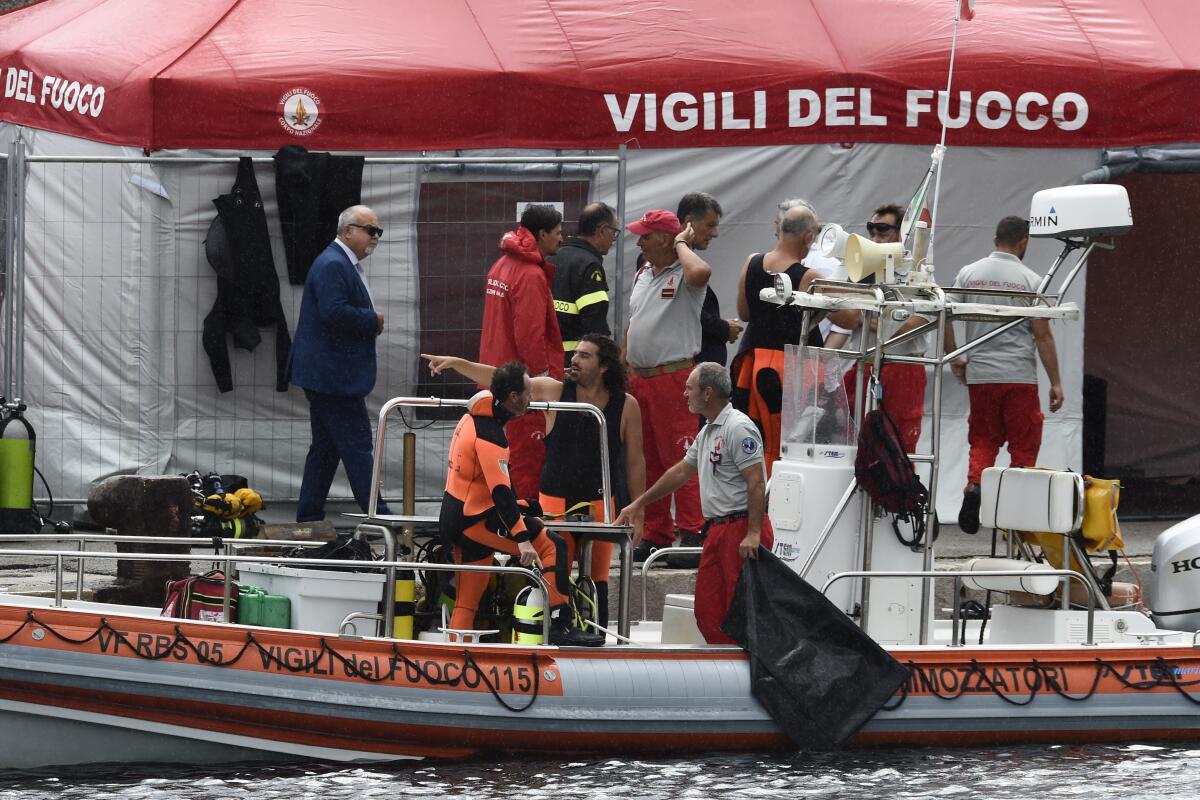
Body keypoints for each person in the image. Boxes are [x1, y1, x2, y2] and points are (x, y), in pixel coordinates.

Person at [425, 333, 646, 631]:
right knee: (556, 569)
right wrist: (458, 363)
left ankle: (598, 642)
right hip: (554, 499)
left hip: (600, 502)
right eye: (575, 352)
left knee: (598, 581)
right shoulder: (554, 391)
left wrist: (638, 509)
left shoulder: (626, 405)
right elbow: (502, 380)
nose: (574, 359)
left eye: (584, 355)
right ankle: (558, 634)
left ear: (604, 366)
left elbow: (635, 462)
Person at [438, 362, 604, 647]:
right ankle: (561, 626)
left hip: (458, 517)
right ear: (513, 397)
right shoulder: (490, 434)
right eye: (528, 393)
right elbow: (500, 492)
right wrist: (523, 540)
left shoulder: (474, 416)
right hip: (473, 522)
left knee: (467, 601)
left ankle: (455, 653)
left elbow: (483, 485)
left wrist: (522, 506)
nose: (533, 400)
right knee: (552, 545)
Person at [616, 362, 774, 645]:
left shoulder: (738, 428)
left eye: (689, 388)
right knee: (707, 609)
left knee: (740, 607)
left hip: (741, 528)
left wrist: (753, 533)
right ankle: (723, 662)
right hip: (718, 530)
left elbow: (757, 482)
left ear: (708, 393)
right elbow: (679, 473)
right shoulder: (708, 432)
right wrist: (639, 503)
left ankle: (744, 664)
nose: (684, 394)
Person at [946, 216, 1064, 533]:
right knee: (1024, 444)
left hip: (981, 375)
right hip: (1019, 376)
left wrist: (955, 356)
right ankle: (1017, 510)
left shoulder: (968, 274)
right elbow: (1042, 335)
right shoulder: (1031, 280)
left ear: (995, 239)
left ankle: (974, 487)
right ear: (1023, 242)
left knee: (984, 438)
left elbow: (944, 311)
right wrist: (1055, 381)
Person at [287, 205, 391, 522]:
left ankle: (308, 518)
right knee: (358, 446)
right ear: (348, 231)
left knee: (326, 449)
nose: (375, 237)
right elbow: (334, 312)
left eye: (378, 231)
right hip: (334, 378)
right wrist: (372, 320)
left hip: (327, 376)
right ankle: (382, 518)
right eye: (370, 230)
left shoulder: (338, 262)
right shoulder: (334, 265)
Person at [621, 208, 710, 564]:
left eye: (645, 235)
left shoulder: (685, 272)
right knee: (650, 460)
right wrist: (625, 358)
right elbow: (634, 320)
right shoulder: (644, 271)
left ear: (665, 239)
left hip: (672, 377)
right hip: (641, 379)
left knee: (680, 455)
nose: (639, 241)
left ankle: (692, 532)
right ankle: (657, 533)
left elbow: (701, 272)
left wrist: (682, 244)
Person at [826, 203, 931, 454]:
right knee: (855, 445)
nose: (873, 237)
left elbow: (912, 326)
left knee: (899, 449)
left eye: (882, 230)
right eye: (870, 230)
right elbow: (830, 307)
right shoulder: (858, 268)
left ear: (902, 233)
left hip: (902, 368)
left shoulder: (918, 274)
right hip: (864, 364)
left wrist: (862, 314)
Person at [478, 203, 565, 499]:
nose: (562, 239)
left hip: (497, 376)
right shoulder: (529, 274)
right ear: (541, 234)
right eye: (558, 232)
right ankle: (526, 531)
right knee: (526, 463)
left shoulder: (502, 265)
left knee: (501, 460)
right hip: (521, 384)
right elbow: (529, 336)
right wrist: (541, 381)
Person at [730, 201, 823, 475]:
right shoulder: (809, 277)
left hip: (753, 362)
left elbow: (744, 313)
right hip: (789, 369)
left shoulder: (752, 262)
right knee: (787, 443)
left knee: (754, 436)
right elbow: (849, 319)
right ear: (808, 236)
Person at [677, 193, 742, 367]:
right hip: (688, 368)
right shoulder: (670, 258)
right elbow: (681, 309)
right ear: (689, 221)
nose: (715, 233)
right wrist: (722, 328)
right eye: (710, 225)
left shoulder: (682, 256)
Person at [549, 202, 618, 366]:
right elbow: (595, 326)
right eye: (614, 231)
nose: (614, 237)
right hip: (574, 362)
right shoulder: (590, 266)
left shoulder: (552, 257)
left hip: (547, 358)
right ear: (602, 231)